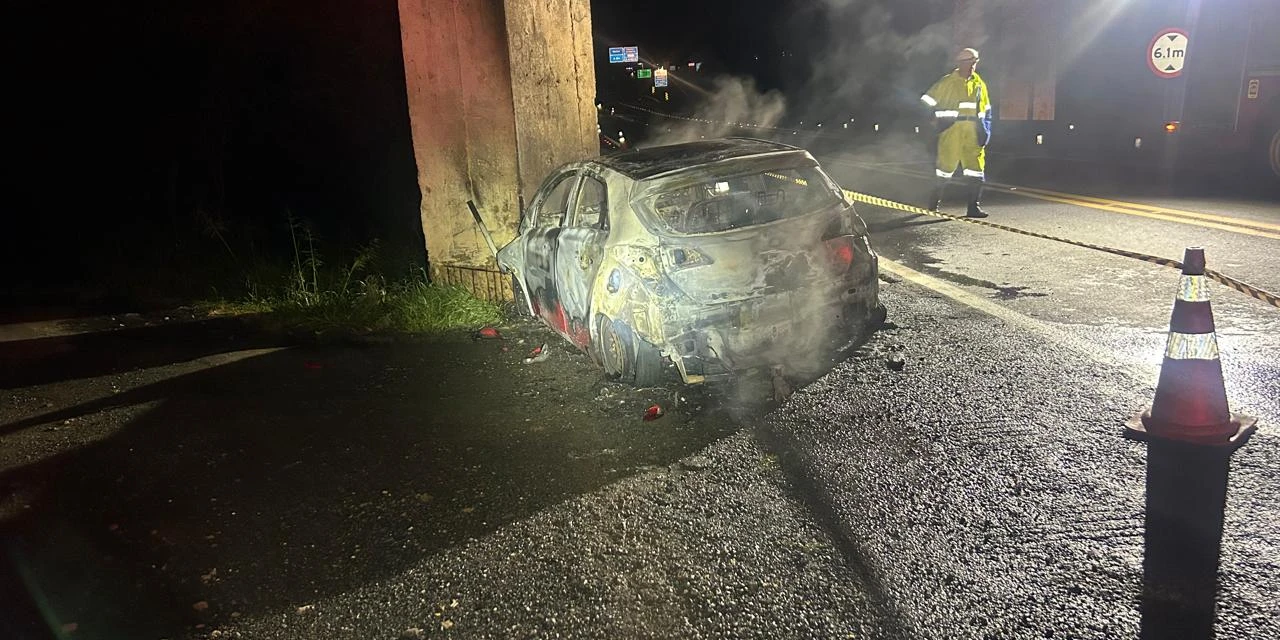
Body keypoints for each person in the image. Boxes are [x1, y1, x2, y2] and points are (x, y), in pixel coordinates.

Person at [920, 48, 992, 217]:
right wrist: (933, 121)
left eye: (975, 62)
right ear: (960, 63)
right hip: (951, 131)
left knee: (976, 170)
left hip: (973, 132)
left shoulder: (979, 84)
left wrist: (985, 130)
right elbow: (925, 101)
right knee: (944, 170)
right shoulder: (946, 82)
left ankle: (973, 208)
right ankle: (933, 204)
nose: (973, 65)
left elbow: (987, 110)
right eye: (970, 62)